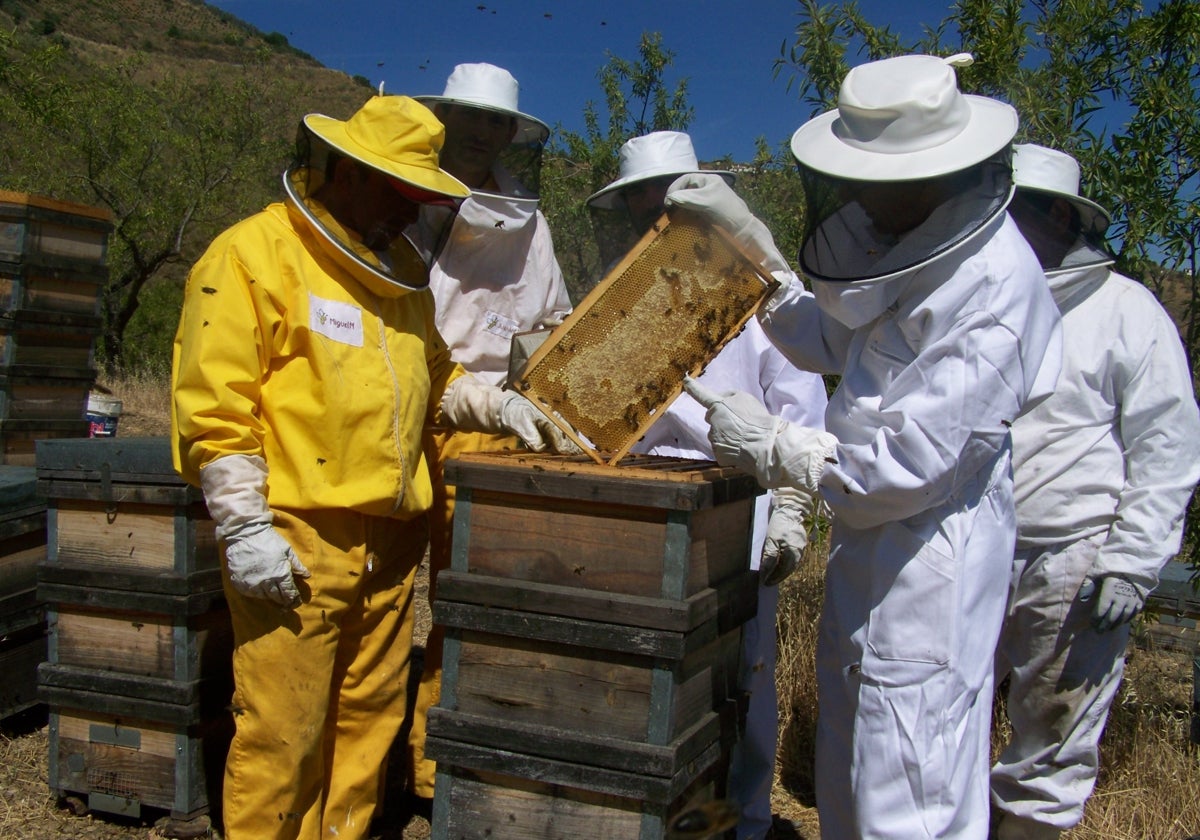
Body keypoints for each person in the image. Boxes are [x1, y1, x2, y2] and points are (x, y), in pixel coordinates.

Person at [670, 54, 1063, 838]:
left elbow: (911, 469)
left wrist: (779, 447)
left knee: (906, 803)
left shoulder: (990, 287)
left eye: (873, 180)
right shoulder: (913, 244)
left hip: (929, 566)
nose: (859, 199)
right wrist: (757, 256)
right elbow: (831, 335)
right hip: (875, 557)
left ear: (935, 170)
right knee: (852, 789)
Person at [170, 94, 576, 840]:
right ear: (349, 174)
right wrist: (244, 525)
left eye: (421, 200)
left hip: (390, 543)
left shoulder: (399, 278)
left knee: (366, 719)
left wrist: (501, 408)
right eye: (401, 196)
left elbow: (439, 379)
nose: (410, 214)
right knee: (284, 726)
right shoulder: (252, 255)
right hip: (296, 534)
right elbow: (214, 406)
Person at [588, 130, 830, 840]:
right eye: (638, 205)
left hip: (738, 508)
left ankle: (742, 824)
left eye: (662, 202)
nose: (650, 218)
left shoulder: (768, 305)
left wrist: (790, 508)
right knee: (642, 676)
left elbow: (801, 414)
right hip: (639, 505)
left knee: (741, 682)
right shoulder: (621, 296)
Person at [989, 143, 1200, 840]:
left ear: (1057, 216)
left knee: (1051, 737)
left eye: (1011, 212)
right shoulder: (984, 300)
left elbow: (1166, 445)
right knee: (943, 719)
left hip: (1072, 559)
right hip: (968, 545)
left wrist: (1132, 561)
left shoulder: (1127, 311)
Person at [402, 62, 573, 813]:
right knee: (370, 596)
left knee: (468, 601)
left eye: (493, 122)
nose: (480, 134)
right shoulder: (400, 188)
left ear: (511, 131)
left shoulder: (529, 221)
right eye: (467, 118)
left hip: (487, 424)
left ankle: (437, 769)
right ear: (444, 119)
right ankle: (365, 770)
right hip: (397, 401)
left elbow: (550, 322)